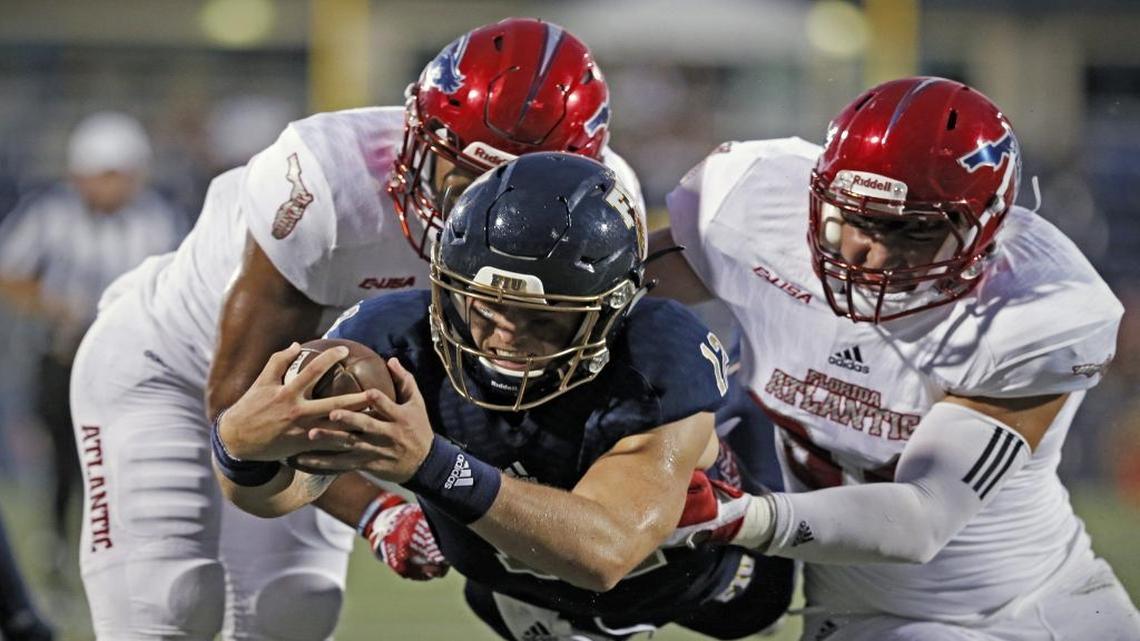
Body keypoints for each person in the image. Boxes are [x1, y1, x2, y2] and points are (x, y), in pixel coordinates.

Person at [69, 18, 644, 641]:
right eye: (456, 176)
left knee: (293, 607)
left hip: (323, 403)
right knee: (169, 602)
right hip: (174, 367)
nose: (466, 209)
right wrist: (377, 511)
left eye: (507, 198)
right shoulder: (329, 182)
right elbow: (241, 402)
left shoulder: (602, 214)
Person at [214, 152, 794, 640]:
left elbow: (605, 551)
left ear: (612, 308)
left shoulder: (655, 354)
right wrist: (242, 451)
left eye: (543, 317)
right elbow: (279, 495)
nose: (505, 336)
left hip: (706, 584)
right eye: (487, 306)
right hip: (515, 591)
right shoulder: (394, 341)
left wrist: (429, 464)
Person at [645, 76, 1140, 640]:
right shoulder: (753, 203)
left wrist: (741, 517)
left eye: (914, 230)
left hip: (1046, 604)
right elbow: (608, 298)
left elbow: (924, 517)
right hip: (867, 617)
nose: (872, 254)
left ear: (984, 228)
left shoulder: (1037, 307)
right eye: (854, 219)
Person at [0, 111, 185, 577]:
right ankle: (59, 545)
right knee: (65, 457)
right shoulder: (51, 215)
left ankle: (125, 548)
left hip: (133, 362)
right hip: (61, 356)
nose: (112, 187)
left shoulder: (157, 219)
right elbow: (9, 273)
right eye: (104, 175)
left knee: (128, 458)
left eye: (119, 175)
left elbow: (180, 286)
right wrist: (53, 304)